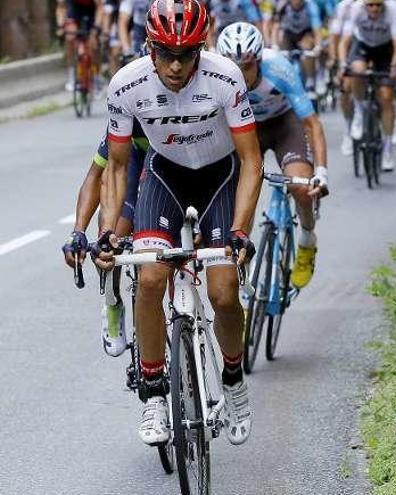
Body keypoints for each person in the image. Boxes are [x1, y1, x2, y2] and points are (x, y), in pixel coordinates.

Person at [96, 0, 262, 448]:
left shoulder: (225, 76)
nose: (174, 65)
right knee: (150, 279)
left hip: (218, 177)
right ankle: (153, 394)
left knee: (224, 292)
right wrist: (110, 231)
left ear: (201, 49)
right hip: (164, 176)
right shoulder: (126, 84)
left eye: (186, 54)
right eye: (164, 53)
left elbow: (250, 160)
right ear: (148, 47)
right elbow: (115, 167)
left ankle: (232, 379)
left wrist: (241, 232)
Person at [217, 22, 329, 288]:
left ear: (258, 60)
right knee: (238, 191)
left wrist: (321, 172)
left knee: (301, 187)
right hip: (244, 129)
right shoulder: (215, 76)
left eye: (246, 67)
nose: (241, 75)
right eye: (235, 68)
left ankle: (307, 239)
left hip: (283, 124)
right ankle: (242, 256)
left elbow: (313, 123)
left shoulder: (279, 68)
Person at [63, 123, 150, 357]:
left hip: (168, 164)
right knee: (113, 233)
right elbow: (94, 176)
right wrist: (78, 231)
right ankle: (113, 302)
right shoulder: (126, 115)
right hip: (131, 161)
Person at [339, 0, 396, 172]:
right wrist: (342, 64)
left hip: (385, 49)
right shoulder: (355, 9)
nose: (374, 8)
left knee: (387, 97)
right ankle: (359, 111)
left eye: (378, 5)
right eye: (370, 5)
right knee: (357, 71)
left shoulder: (392, 10)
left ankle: (388, 148)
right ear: (364, 5)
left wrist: (394, 67)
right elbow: (344, 41)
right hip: (363, 46)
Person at [271, 0, 324, 97]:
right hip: (289, 34)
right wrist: (274, 45)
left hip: (305, 33)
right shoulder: (282, 5)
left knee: (308, 49)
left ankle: (310, 81)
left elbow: (317, 29)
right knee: (283, 54)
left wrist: (318, 46)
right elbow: (276, 27)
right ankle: (283, 82)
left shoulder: (311, 6)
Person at [328, 0, 357, 155]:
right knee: (345, 88)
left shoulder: (376, 4)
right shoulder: (344, 7)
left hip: (372, 50)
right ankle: (348, 131)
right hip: (346, 51)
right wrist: (336, 60)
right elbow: (335, 37)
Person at [58, 0, 103, 91]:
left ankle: (96, 76)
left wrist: (96, 29)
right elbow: (61, 7)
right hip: (75, 10)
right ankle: (72, 75)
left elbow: (100, 8)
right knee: (69, 37)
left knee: (93, 45)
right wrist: (61, 26)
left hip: (92, 11)